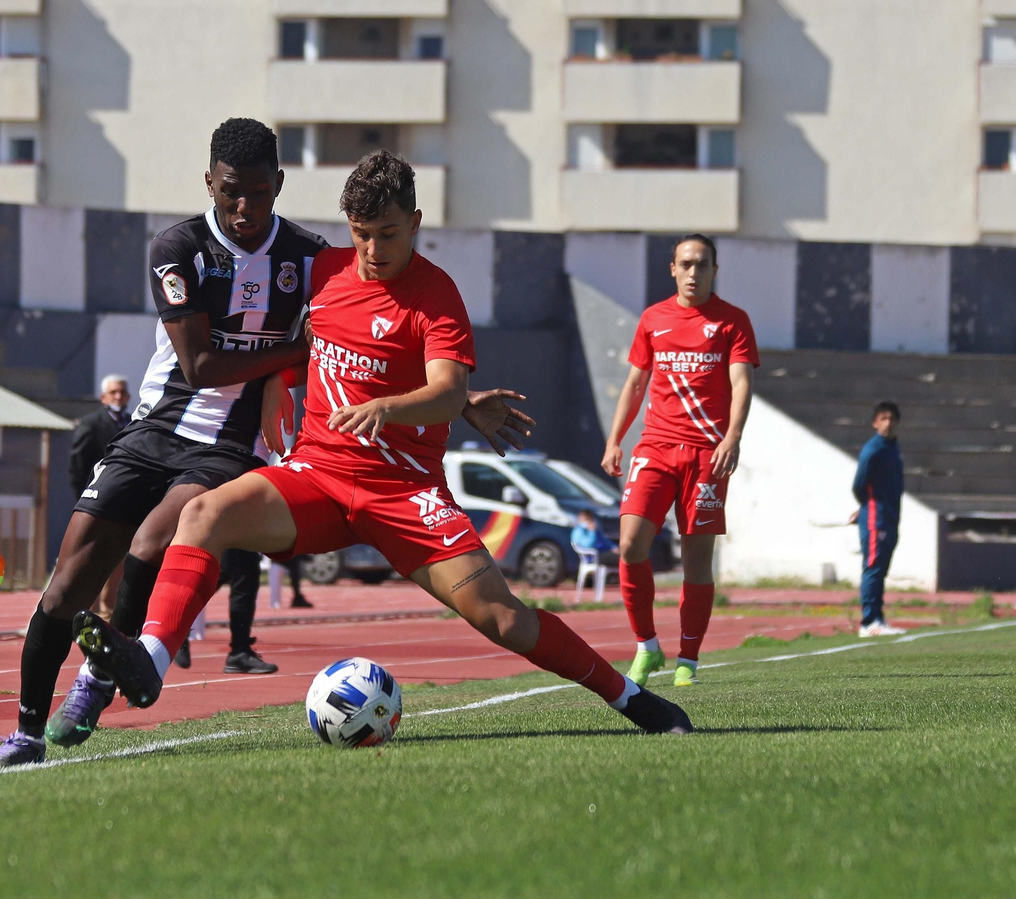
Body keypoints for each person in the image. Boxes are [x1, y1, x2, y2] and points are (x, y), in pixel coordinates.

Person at [69, 151, 691, 738]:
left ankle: (628, 697)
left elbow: (445, 391)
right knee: (204, 513)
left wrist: (396, 407)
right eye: (361, 233)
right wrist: (280, 379)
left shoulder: (436, 294)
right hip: (316, 475)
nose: (373, 250)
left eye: (388, 234)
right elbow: (279, 336)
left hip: (404, 493)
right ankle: (150, 659)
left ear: (415, 223)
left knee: (501, 617)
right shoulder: (323, 270)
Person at [0, 122, 535, 769]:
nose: (245, 207)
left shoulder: (309, 258)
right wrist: (296, 352)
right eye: (230, 192)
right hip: (154, 428)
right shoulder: (178, 247)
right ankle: (24, 733)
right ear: (209, 184)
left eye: (260, 193)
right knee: (66, 583)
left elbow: (372, 343)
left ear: (280, 185)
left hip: (230, 445)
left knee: (153, 541)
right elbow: (200, 367)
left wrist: (459, 399)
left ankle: (97, 681)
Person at [601, 234, 758, 688]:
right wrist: (614, 440)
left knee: (696, 560)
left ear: (714, 270)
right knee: (630, 544)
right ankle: (647, 646)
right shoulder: (653, 318)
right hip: (655, 447)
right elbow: (635, 384)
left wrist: (733, 437)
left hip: (707, 454)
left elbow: (742, 383)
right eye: (686, 263)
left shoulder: (732, 321)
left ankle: (688, 658)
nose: (694, 272)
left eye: (702, 264)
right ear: (672, 268)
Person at [69, 374, 132, 618]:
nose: (118, 397)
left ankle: (109, 613)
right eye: (113, 392)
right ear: (103, 397)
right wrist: (84, 499)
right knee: (91, 557)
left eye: (122, 392)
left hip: (127, 504)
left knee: (120, 559)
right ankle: (88, 611)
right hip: (97, 501)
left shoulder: (135, 422)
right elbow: (77, 465)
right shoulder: (91, 423)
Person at [850, 402, 906, 637]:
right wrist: (865, 507)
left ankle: (879, 619)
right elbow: (859, 484)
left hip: (891, 516)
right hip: (876, 517)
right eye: (883, 418)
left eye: (891, 418)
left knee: (881, 570)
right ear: (875, 423)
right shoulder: (872, 450)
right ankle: (869, 622)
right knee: (873, 568)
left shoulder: (892, 448)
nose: (888, 423)